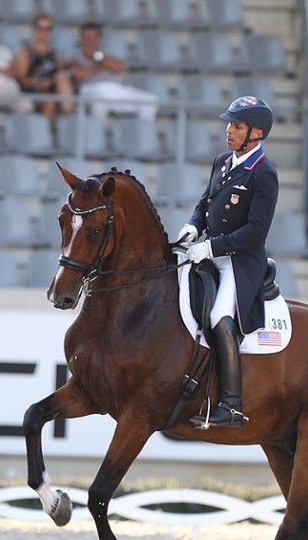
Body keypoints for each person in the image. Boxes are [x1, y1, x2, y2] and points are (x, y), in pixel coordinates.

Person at [177, 96, 279, 428]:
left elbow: (256, 232)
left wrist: (212, 248)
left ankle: (231, 405)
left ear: (256, 132)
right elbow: (205, 202)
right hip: (211, 250)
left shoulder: (263, 173)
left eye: (237, 126)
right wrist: (194, 226)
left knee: (220, 314)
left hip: (240, 262)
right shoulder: (223, 160)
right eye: (229, 124)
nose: (229, 131)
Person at [67, 22, 158, 123]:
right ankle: (97, 135)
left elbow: (120, 67)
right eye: (87, 37)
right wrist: (103, 66)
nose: (89, 41)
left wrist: (96, 57)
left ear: (98, 39)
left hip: (114, 89)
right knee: (99, 102)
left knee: (150, 100)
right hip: (90, 89)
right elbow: (79, 75)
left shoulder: (103, 53)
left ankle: (142, 134)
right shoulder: (74, 54)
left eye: (93, 37)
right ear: (81, 38)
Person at [13, 13, 74, 125]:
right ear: (34, 30)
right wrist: (40, 84)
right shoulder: (25, 52)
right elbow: (22, 78)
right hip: (33, 91)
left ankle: (68, 111)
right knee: (49, 102)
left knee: (62, 78)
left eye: (48, 29)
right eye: (41, 28)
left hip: (52, 91)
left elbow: (60, 74)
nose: (44, 32)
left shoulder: (56, 55)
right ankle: (48, 136)